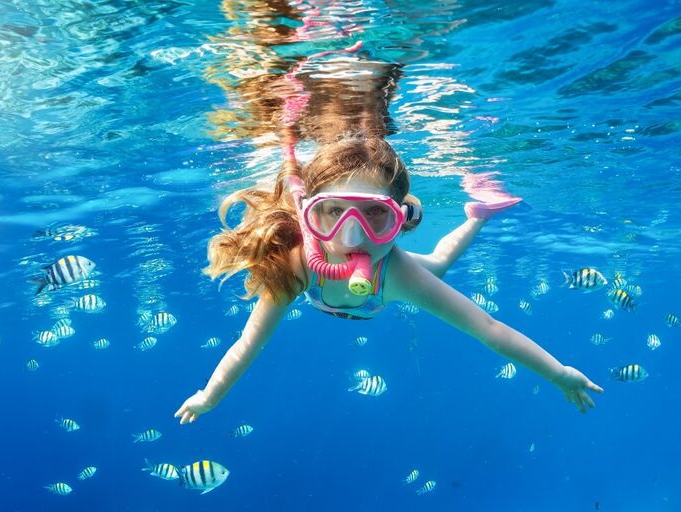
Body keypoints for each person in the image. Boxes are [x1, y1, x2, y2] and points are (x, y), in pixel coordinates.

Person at [175, 135, 604, 424]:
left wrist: (560, 372)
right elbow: (249, 342)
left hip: (384, 288)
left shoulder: (398, 272)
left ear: (397, 220)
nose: (352, 238)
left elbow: (488, 330)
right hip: (369, 293)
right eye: (333, 211)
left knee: (435, 263)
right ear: (310, 215)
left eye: (376, 213)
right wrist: (210, 395)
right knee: (432, 265)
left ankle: (478, 213)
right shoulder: (297, 264)